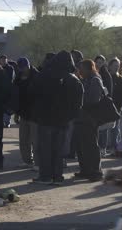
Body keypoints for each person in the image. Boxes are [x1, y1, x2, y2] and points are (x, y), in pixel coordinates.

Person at [32, 51, 83, 185]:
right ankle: (57, 177)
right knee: (58, 150)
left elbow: (34, 95)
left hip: (45, 120)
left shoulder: (44, 76)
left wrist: (37, 114)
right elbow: (78, 102)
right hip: (63, 121)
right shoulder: (73, 79)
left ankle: (45, 176)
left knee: (45, 149)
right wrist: (69, 116)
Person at [73, 60, 104, 182]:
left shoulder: (95, 80)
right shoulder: (85, 79)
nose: (79, 70)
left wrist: (79, 99)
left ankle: (96, 171)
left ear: (89, 68)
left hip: (90, 118)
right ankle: (85, 170)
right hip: (82, 118)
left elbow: (94, 99)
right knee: (81, 146)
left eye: (81, 68)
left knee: (91, 146)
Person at [14, 57, 39, 170]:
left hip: (34, 114)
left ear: (29, 65)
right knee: (23, 139)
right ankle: (27, 160)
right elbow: (17, 96)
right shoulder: (18, 78)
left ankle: (38, 163)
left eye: (25, 68)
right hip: (23, 112)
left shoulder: (37, 76)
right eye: (21, 68)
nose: (23, 70)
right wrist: (16, 112)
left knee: (35, 140)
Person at [94, 55, 113, 157]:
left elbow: (109, 91)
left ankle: (103, 148)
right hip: (94, 105)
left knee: (104, 128)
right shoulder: (92, 72)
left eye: (101, 62)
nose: (99, 64)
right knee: (96, 128)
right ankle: (96, 147)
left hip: (103, 104)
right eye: (98, 61)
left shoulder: (106, 74)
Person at [107, 58, 122, 153]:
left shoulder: (120, 79)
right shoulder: (105, 77)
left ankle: (115, 148)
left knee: (115, 129)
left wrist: (119, 107)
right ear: (109, 66)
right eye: (114, 66)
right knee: (104, 129)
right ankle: (103, 148)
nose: (116, 68)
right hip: (105, 107)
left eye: (117, 66)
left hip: (116, 107)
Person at [0, 55, 15, 128]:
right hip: (0, 89)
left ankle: (7, 122)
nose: (3, 61)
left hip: (8, 89)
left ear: (6, 60)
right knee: (1, 107)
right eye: (2, 60)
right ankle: (1, 122)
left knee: (8, 107)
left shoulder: (10, 68)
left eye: (4, 60)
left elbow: (9, 78)